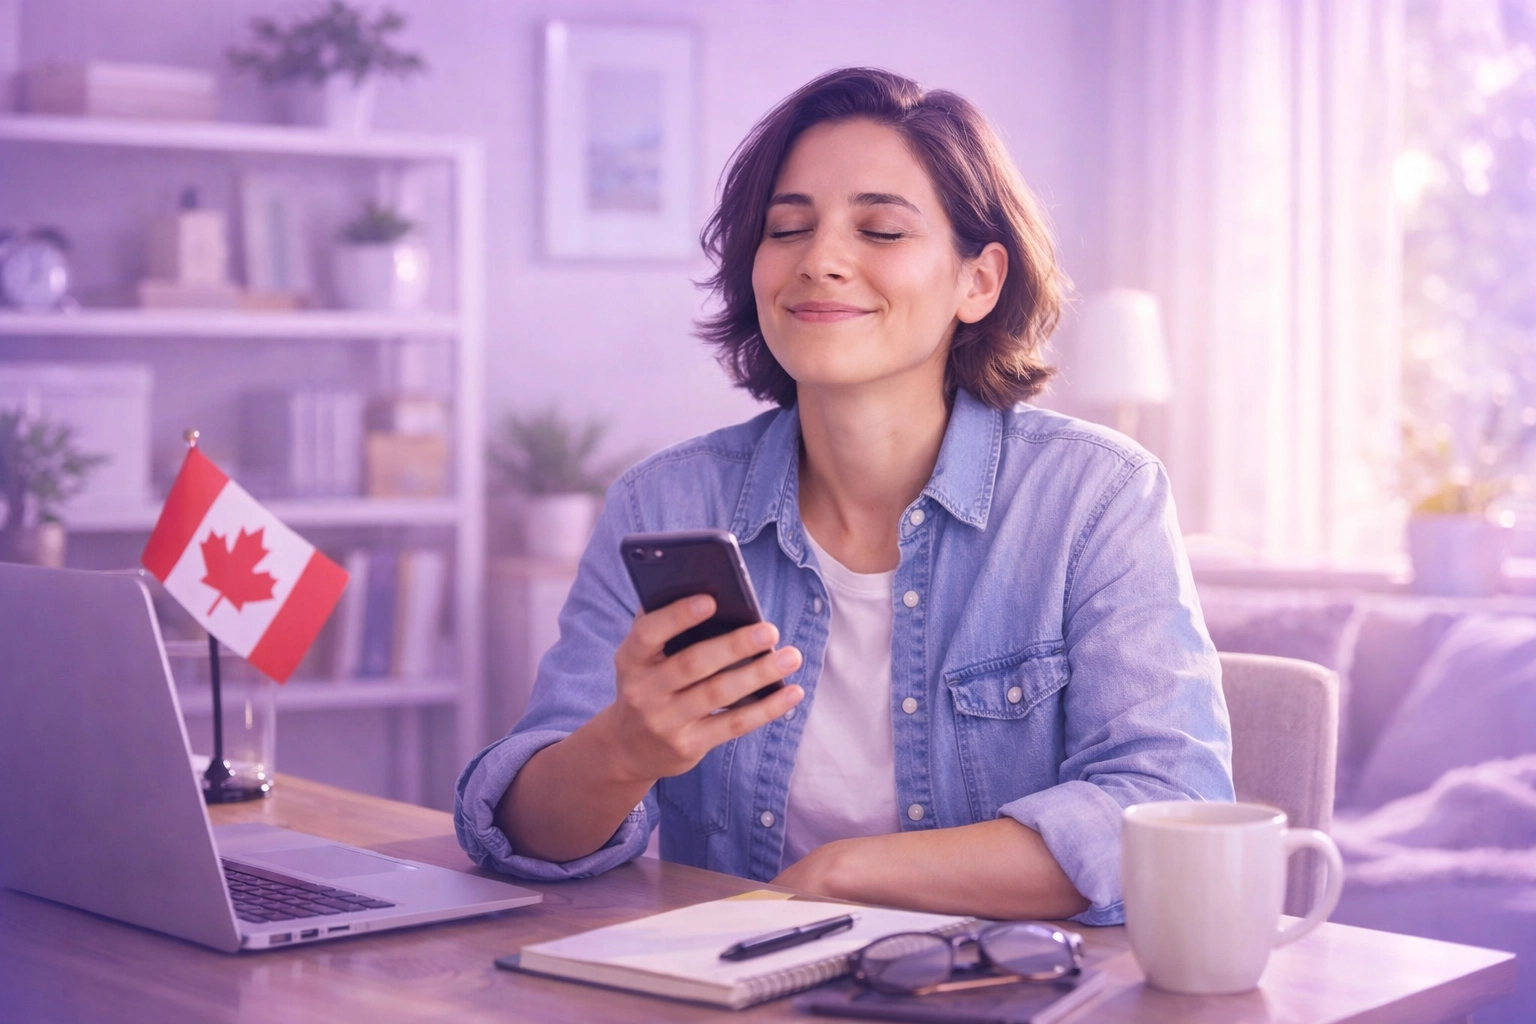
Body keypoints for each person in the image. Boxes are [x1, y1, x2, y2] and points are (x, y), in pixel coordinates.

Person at [456, 67, 1233, 925]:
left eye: (882, 230)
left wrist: (841, 873)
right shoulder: (664, 501)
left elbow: (1165, 814)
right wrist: (623, 750)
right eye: (787, 228)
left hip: (993, 990)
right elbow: (521, 837)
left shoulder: (1096, 498)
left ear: (978, 281)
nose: (820, 260)